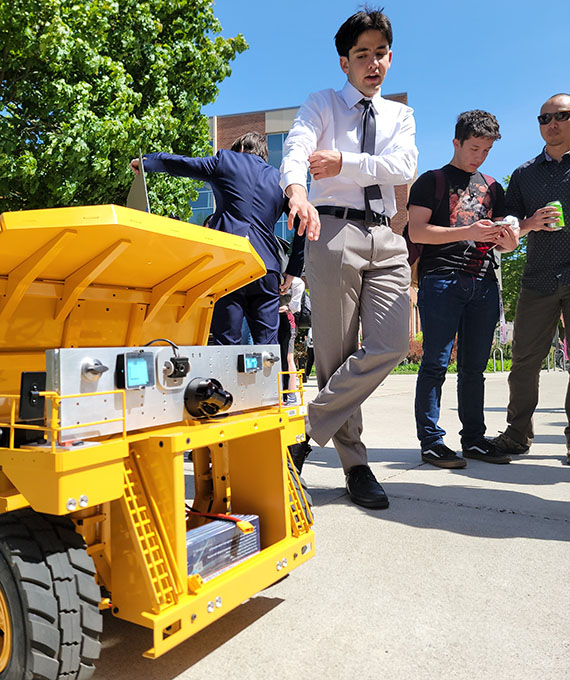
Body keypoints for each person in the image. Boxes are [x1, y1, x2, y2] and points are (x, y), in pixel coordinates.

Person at [280, 8, 418, 509]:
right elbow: (296, 147)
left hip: (386, 234)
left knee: (391, 342)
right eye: (362, 54)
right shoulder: (321, 105)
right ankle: (356, 466)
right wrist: (297, 190)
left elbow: (403, 166)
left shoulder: (400, 116)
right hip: (332, 228)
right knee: (334, 355)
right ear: (345, 62)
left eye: (381, 53)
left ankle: (300, 434)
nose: (373, 63)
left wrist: (345, 162)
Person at [408, 110, 519, 469]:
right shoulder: (431, 181)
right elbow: (417, 232)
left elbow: (505, 245)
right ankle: (431, 442)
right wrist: (467, 232)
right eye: (474, 148)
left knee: (474, 369)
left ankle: (473, 440)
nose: (480, 156)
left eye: (486, 150)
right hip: (441, 280)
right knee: (436, 364)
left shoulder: (493, 187)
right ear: (456, 142)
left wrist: (510, 239)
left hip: (484, 283)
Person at [130, 132, 305, 345]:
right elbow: (301, 226)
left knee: (227, 343)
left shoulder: (225, 161)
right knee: (268, 347)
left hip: (229, 265)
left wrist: (147, 162)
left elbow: (183, 164)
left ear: (239, 148)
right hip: (265, 269)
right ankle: (268, 378)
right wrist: (293, 271)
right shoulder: (279, 180)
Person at [491, 93, 570, 464]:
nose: (551, 124)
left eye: (561, 116)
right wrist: (528, 224)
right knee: (524, 361)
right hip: (538, 278)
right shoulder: (524, 174)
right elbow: (507, 229)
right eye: (544, 118)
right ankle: (517, 435)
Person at [278, 276, 305, 404]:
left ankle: (291, 394)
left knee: (288, 357)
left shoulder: (296, 282)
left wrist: (287, 307)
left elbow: (295, 306)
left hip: (287, 320)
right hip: (273, 319)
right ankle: (282, 393)